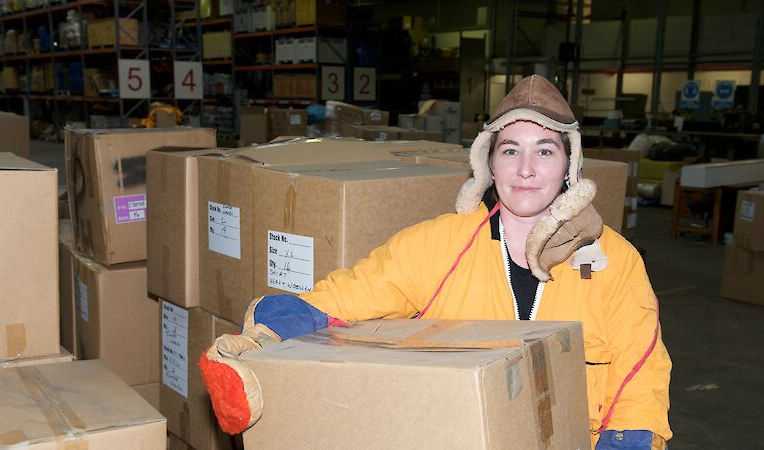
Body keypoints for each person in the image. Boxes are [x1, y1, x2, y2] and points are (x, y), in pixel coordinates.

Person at [199, 75, 672, 450]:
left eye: (544, 150)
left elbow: (640, 371)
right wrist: (264, 336)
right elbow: (355, 292)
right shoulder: (441, 244)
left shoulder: (614, 261)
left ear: (568, 166)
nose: (526, 169)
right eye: (511, 150)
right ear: (490, 165)